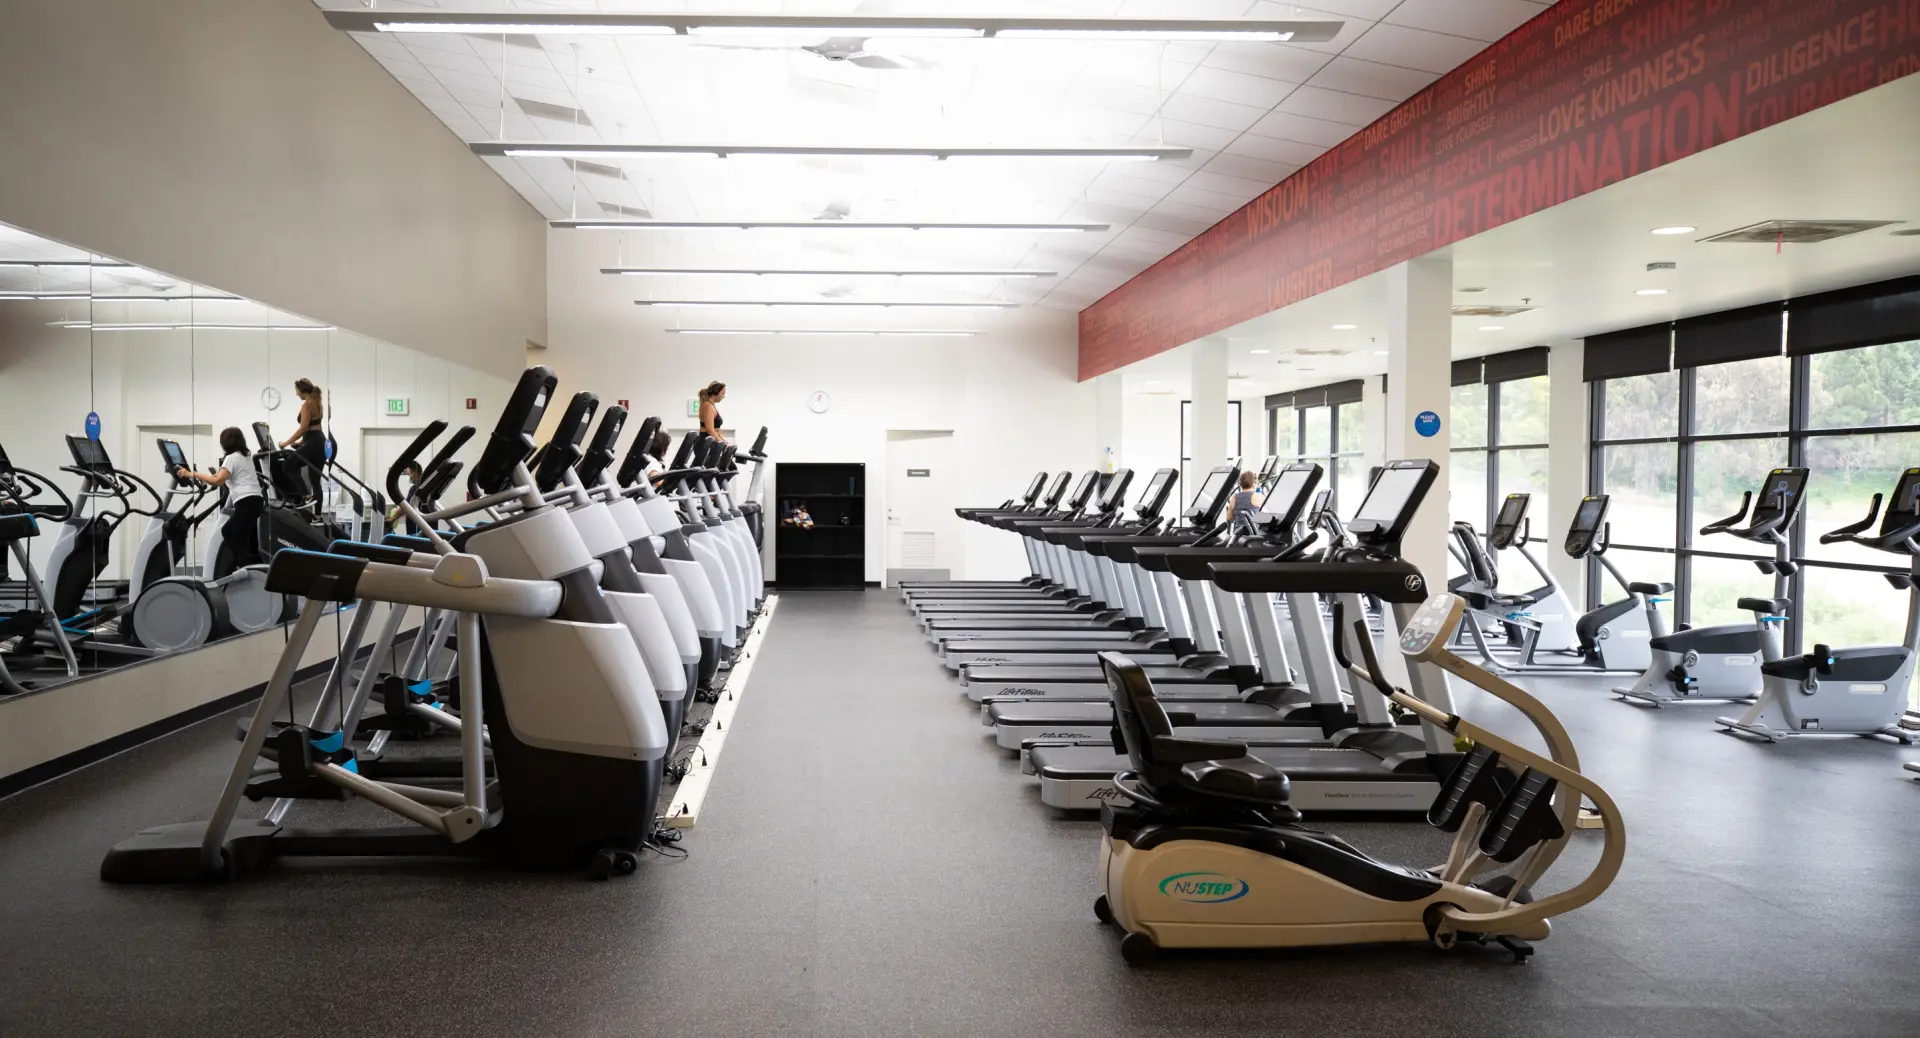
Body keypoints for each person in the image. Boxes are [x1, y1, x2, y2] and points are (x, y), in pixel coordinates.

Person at [177, 427, 265, 568]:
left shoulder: (231, 458)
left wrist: (191, 474)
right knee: (241, 536)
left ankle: (249, 569)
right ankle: (253, 566)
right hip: (256, 501)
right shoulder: (245, 456)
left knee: (234, 536)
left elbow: (218, 481)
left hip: (245, 502)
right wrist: (204, 476)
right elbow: (219, 478)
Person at [279, 378, 327, 503]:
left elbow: (303, 428)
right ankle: (317, 517)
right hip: (320, 441)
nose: (296, 394)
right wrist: (301, 443)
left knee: (288, 465)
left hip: (313, 443)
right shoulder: (318, 403)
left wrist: (286, 443)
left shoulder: (307, 404)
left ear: (302, 390)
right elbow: (315, 428)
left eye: (297, 391)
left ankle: (305, 495)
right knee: (315, 481)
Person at [1227, 470, 1264, 535]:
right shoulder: (1258, 496)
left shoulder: (1234, 498)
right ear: (1254, 483)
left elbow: (1230, 518)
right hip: (1254, 536)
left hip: (1237, 536)